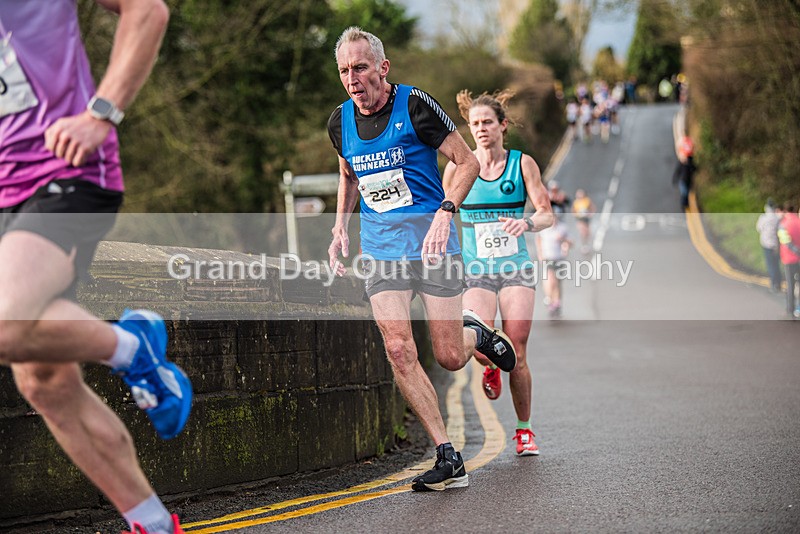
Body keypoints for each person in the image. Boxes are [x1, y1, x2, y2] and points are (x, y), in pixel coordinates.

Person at [0, 2, 191, 533]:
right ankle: (153, 524)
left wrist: (101, 112)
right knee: (43, 381)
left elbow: (146, 10)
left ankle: (134, 347)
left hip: (62, 170)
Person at [327, 27, 518, 491]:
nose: (353, 79)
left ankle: (476, 333)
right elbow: (349, 175)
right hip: (381, 249)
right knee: (398, 348)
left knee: (450, 357)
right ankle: (447, 455)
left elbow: (467, 162)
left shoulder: (414, 105)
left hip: (433, 244)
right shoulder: (339, 122)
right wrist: (338, 227)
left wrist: (444, 211)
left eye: (361, 67)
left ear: (382, 67)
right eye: (344, 70)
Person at [444, 89, 553, 456]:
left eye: (487, 122)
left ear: (503, 126)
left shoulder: (522, 165)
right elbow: (443, 216)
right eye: (474, 124)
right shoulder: (458, 169)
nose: (481, 129)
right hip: (476, 272)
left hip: (515, 269)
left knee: (518, 348)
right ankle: (489, 362)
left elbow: (546, 213)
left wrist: (527, 224)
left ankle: (524, 431)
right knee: (476, 341)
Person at [535, 212, 572, 318]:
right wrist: (540, 253)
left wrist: (563, 240)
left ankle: (556, 303)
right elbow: (538, 239)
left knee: (558, 283)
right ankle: (549, 298)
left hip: (560, 258)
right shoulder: (544, 229)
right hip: (548, 258)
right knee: (551, 279)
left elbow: (571, 242)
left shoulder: (562, 228)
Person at [777, 203, 800, 318]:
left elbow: (785, 241)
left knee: (790, 286)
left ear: (786, 211)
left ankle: (790, 310)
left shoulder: (784, 224)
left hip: (789, 259)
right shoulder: (798, 221)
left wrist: (795, 250)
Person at [756, 200, 783, 292]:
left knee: (770, 264)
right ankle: (778, 283)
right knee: (776, 264)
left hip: (766, 244)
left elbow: (758, 228)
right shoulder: (777, 218)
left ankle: (774, 284)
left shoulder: (763, 218)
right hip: (776, 245)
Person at [673, 136, 696, 209]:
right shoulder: (682, 163)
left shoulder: (689, 162)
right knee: (684, 193)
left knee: (686, 193)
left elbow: (693, 168)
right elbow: (677, 171)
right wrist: (675, 179)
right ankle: (684, 205)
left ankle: (686, 204)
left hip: (687, 180)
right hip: (683, 181)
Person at [572, 188, 596, 254]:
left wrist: (590, 214)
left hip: (586, 219)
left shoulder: (587, 200)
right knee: (583, 232)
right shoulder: (576, 202)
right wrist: (576, 215)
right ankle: (583, 246)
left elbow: (592, 208)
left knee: (587, 233)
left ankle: (586, 244)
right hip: (580, 219)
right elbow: (573, 210)